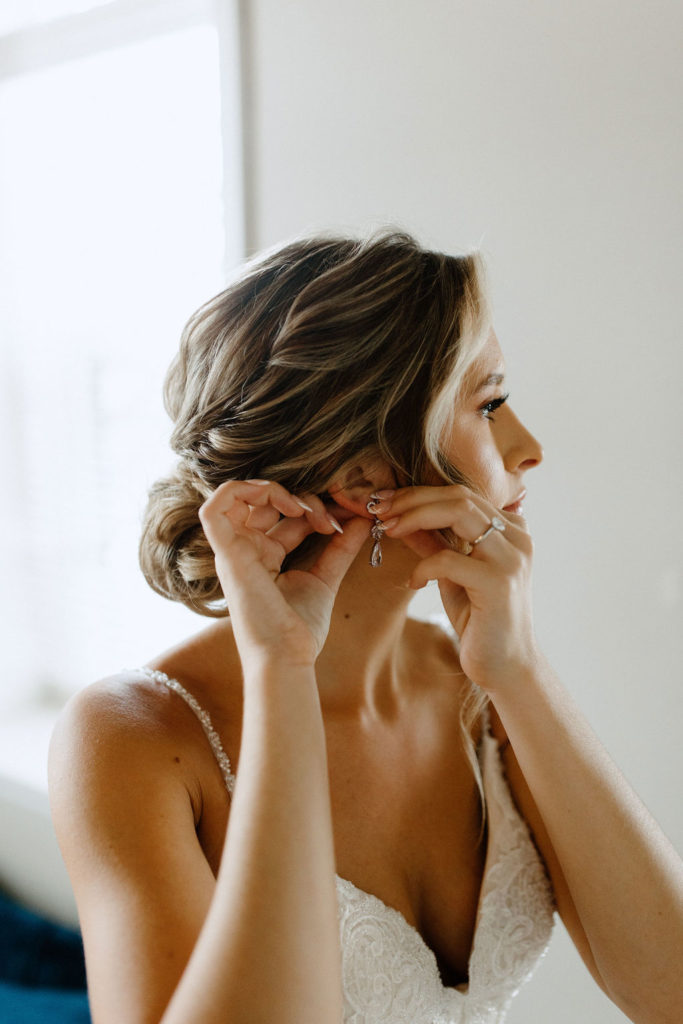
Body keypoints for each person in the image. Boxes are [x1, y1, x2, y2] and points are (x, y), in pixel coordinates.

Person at [48, 231, 683, 1024]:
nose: (529, 448)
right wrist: (280, 670)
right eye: (487, 406)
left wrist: (518, 670)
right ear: (363, 478)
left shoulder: (475, 688)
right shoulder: (133, 737)